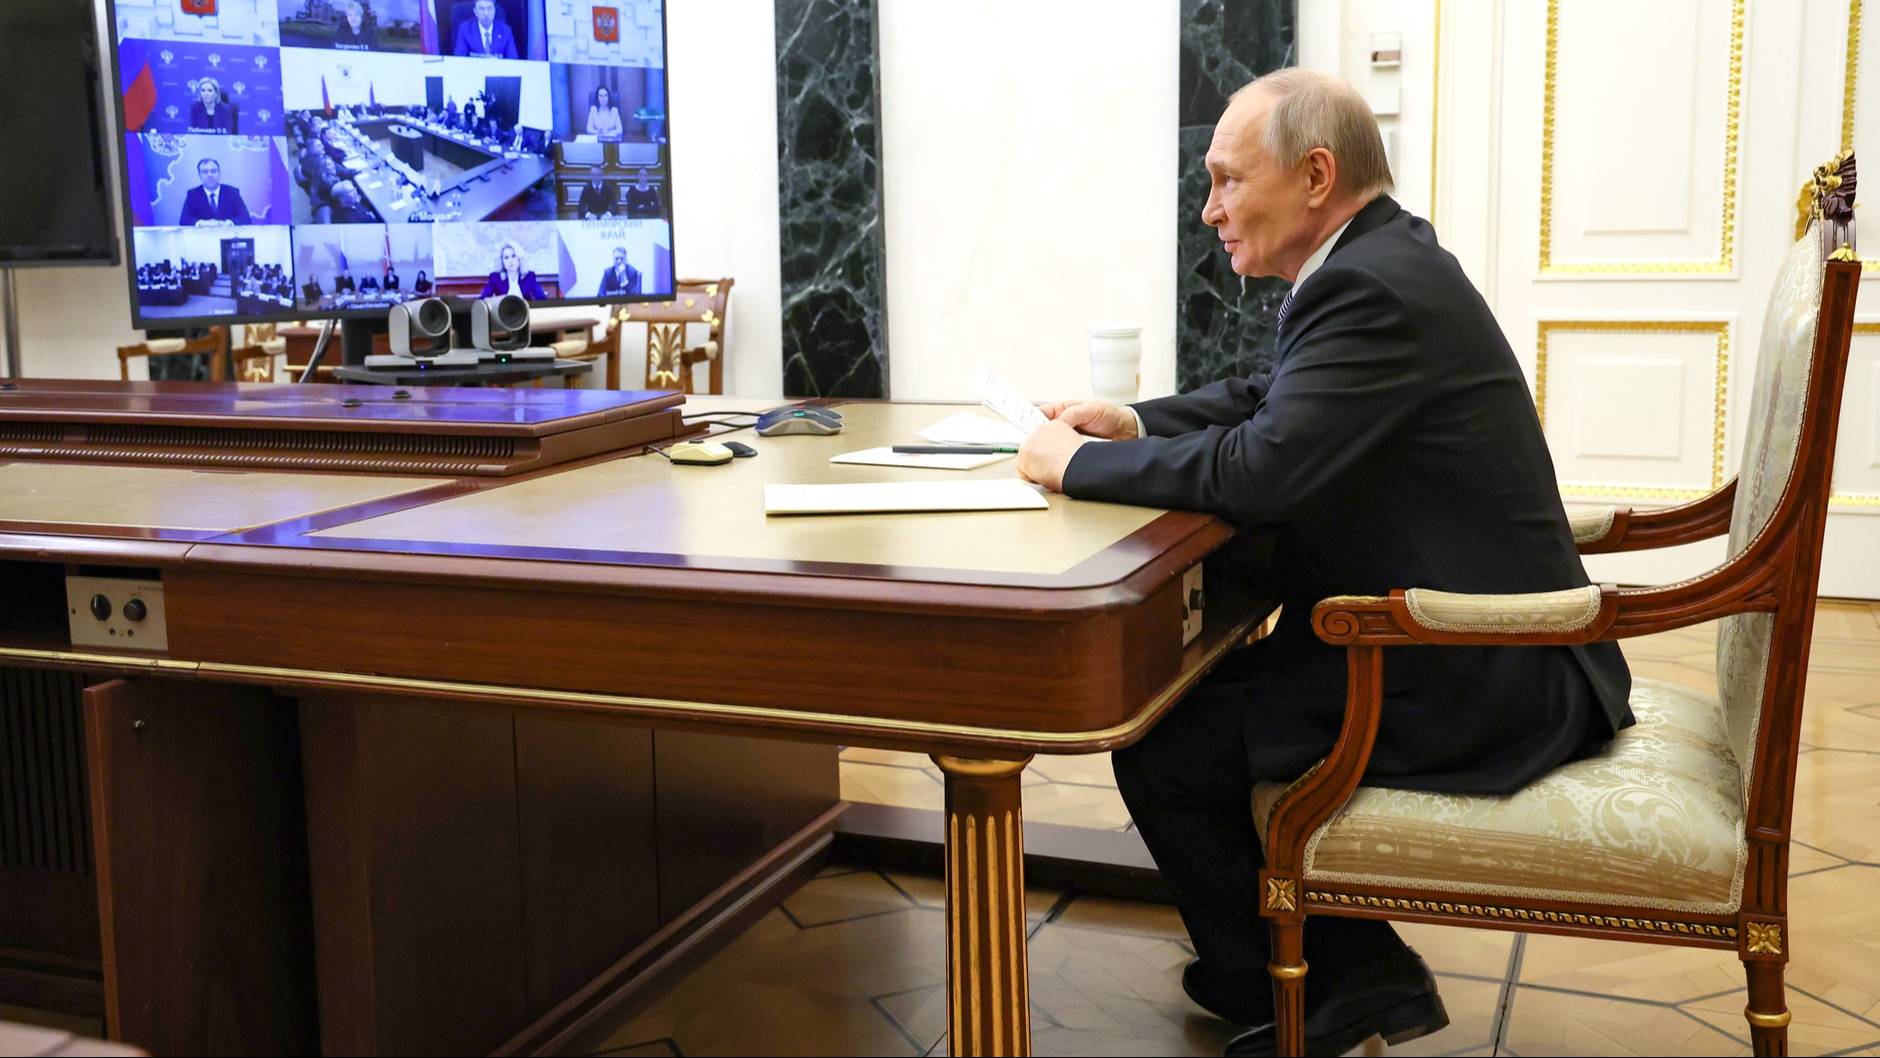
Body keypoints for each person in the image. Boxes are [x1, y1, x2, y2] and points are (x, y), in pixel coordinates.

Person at [1016, 68, 1633, 1057]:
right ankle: (1269, 965)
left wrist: (1078, 465)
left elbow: (1260, 470)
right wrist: (1131, 421)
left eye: (1226, 180)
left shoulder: (1367, 282)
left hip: (1485, 668)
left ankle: (1344, 973)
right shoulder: (1379, 258)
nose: (1210, 209)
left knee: (1169, 744)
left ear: (1314, 176)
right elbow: (1270, 400)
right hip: (1469, 642)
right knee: (1186, 709)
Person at [177, 158, 252, 226]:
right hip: (202, 235)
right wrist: (202, 223)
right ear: (199, 175)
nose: (210, 175)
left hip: (227, 234)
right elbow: (184, 220)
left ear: (219, 173)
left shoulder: (232, 193)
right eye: (205, 172)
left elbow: (245, 219)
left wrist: (229, 223)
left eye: (213, 171)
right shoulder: (192, 195)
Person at [479, 240, 546, 299]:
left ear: (519, 259)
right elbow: (484, 298)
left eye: (513, 256)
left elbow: (541, 298)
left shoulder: (529, 276)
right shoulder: (495, 277)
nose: (510, 261)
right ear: (502, 261)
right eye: (506, 257)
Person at [453, 0, 518, 59]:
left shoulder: (506, 30)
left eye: (489, 8)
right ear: (475, 12)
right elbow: (459, 59)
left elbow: (513, 60)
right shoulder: (465, 29)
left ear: (494, 10)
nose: (486, 13)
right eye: (481, 9)